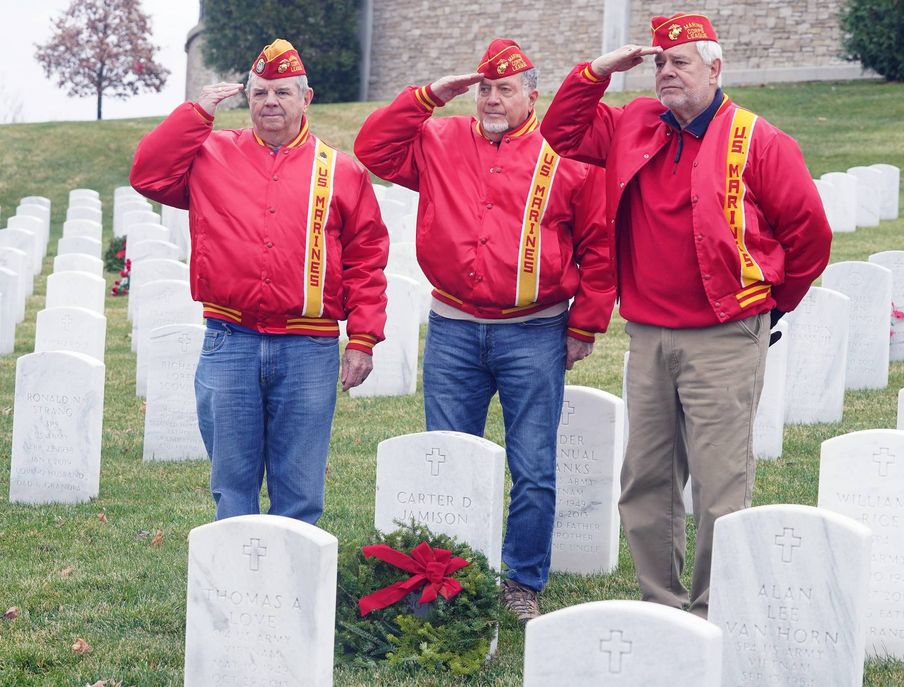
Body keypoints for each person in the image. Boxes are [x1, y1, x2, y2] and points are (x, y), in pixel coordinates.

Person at [541, 13, 832, 617]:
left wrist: (771, 305)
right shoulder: (634, 123)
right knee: (645, 481)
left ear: (715, 68)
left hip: (724, 336)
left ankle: (711, 611)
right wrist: (599, 71)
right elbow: (562, 132)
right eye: (660, 63)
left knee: (720, 486)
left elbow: (809, 236)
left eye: (681, 63)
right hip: (648, 334)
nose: (667, 73)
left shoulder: (761, 141)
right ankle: (663, 605)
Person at [354, 39, 614, 622]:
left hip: (535, 332)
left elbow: (600, 247)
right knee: (446, 460)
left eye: (506, 88)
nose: (493, 99)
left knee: (534, 465)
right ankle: (448, 577)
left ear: (532, 94)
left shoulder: (567, 155)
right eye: (484, 89)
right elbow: (373, 147)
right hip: (452, 329)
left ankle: (521, 581)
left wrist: (587, 324)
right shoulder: (439, 139)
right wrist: (427, 96)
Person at [130, 39, 388, 525]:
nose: (271, 102)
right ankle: (235, 587)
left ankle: (292, 587)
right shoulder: (210, 154)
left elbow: (366, 258)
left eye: (283, 93)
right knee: (232, 481)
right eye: (260, 92)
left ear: (305, 98)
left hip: (308, 346)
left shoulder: (342, 172)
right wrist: (196, 113)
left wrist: (364, 338)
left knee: (301, 485)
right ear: (247, 99)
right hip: (231, 341)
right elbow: (147, 175)